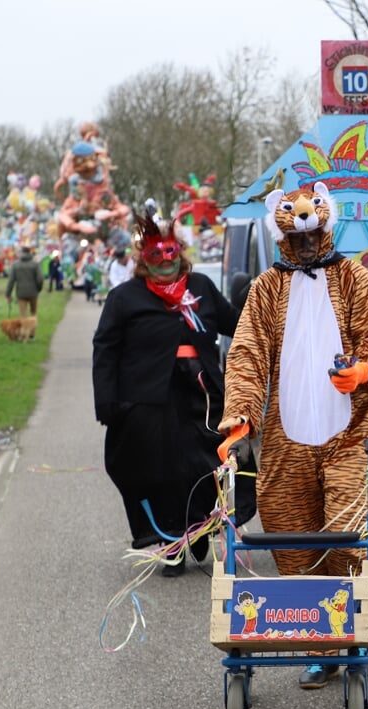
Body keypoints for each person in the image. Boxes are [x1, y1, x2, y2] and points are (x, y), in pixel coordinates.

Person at [216, 182, 368, 689]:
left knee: (348, 536)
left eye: (312, 211)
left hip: (349, 435)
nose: (303, 223)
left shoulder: (355, 280)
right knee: (293, 543)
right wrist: (240, 415)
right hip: (285, 438)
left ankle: (353, 631)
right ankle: (321, 642)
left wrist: (365, 370)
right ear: (279, 219)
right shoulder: (265, 288)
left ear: (326, 216)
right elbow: (249, 354)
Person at [92, 203, 256, 576]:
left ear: (180, 253)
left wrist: (261, 303)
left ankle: (198, 527)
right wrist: (107, 401)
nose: (164, 261)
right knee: (159, 473)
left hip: (203, 395)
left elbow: (238, 324)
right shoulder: (126, 298)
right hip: (149, 402)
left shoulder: (201, 288)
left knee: (206, 466)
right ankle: (172, 543)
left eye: (170, 253)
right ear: (143, 259)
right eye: (155, 254)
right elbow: (105, 350)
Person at [4, 246, 44, 317]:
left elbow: (11, 281)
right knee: (33, 313)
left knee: (23, 314)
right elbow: (40, 279)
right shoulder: (35, 265)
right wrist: (38, 289)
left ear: (22, 253)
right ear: (30, 253)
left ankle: (24, 327)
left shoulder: (15, 265)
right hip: (33, 292)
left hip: (21, 293)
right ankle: (32, 327)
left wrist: (8, 294)